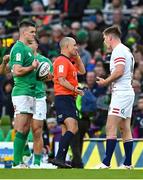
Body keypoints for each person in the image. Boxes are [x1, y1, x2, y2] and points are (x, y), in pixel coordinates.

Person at [96, 25, 135, 169]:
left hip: (122, 93)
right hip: (127, 91)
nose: (105, 42)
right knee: (125, 128)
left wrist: (106, 81)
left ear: (110, 38)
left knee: (110, 127)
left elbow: (119, 71)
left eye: (105, 38)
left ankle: (106, 163)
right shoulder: (127, 50)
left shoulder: (118, 51)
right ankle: (128, 163)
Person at [51, 37, 85, 168]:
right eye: (74, 45)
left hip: (68, 98)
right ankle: (59, 157)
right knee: (73, 127)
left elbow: (82, 71)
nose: (76, 48)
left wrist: (77, 58)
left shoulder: (69, 62)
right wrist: (75, 89)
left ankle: (60, 161)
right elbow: (61, 80)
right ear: (66, 47)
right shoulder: (61, 61)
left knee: (66, 131)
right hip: (64, 97)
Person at [9, 20, 39, 168]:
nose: (34, 34)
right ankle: (16, 162)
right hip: (21, 92)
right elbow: (16, 70)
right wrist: (32, 67)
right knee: (21, 127)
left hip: (30, 92)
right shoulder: (18, 48)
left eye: (35, 32)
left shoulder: (27, 49)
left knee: (26, 128)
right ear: (23, 32)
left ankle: (22, 159)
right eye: (32, 32)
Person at [28, 40, 53, 168]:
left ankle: (36, 162)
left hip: (38, 97)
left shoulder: (45, 61)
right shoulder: (20, 60)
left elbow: (51, 77)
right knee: (22, 128)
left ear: (37, 45)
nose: (28, 46)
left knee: (37, 129)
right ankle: (25, 154)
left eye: (31, 43)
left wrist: (46, 76)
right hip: (23, 96)